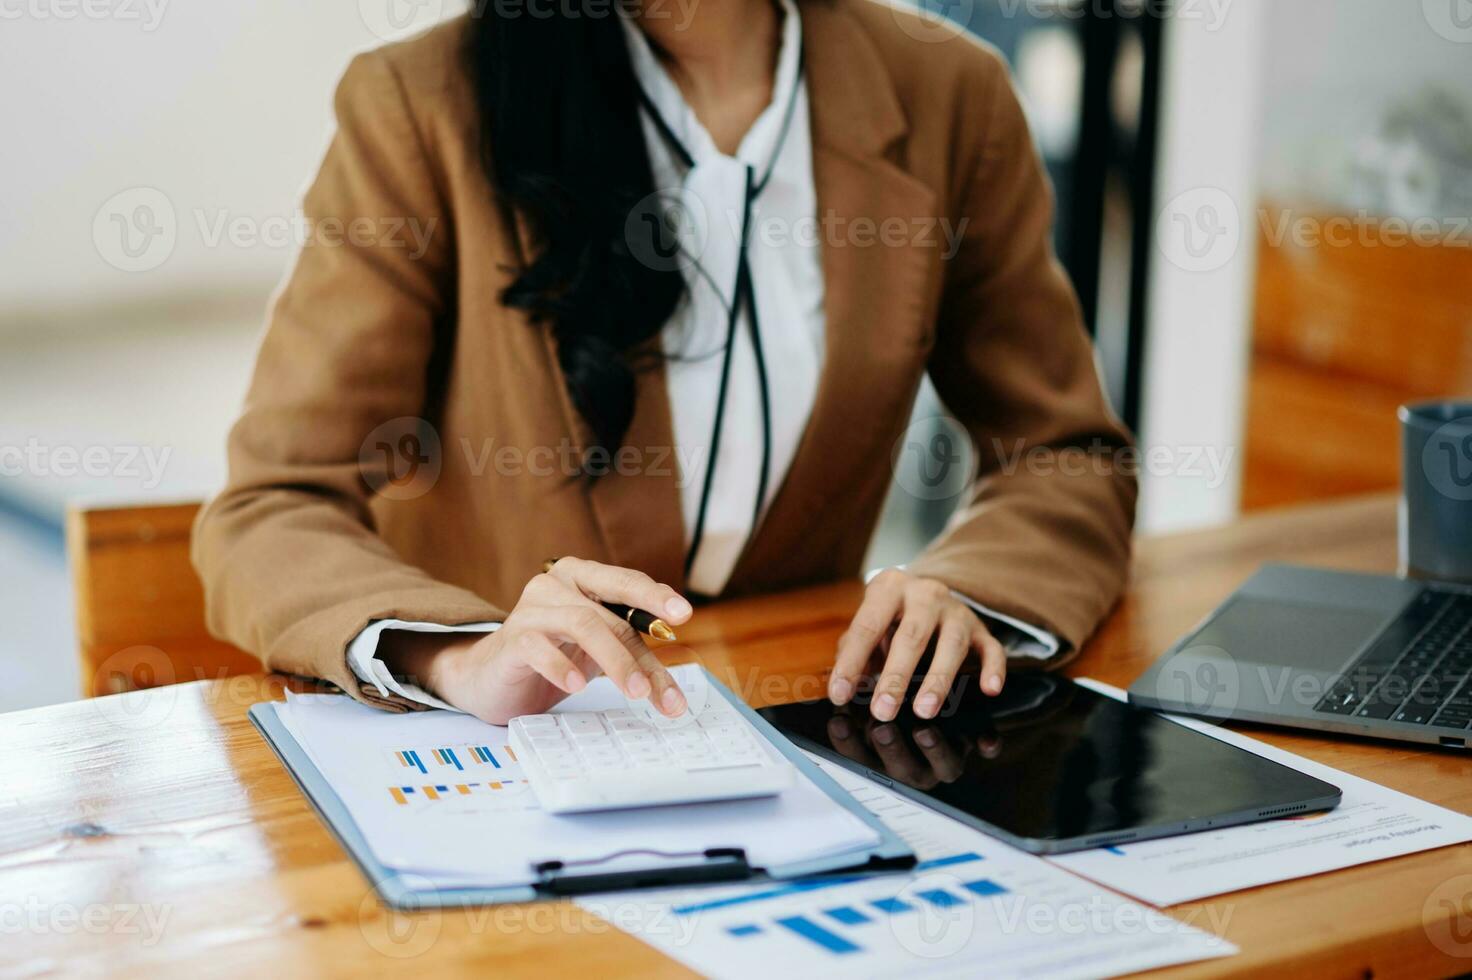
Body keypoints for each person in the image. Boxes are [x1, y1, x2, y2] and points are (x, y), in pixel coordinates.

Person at [192, 0, 1136, 729]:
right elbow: (273, 505)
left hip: (818, 729)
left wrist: (967, 594)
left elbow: (1066, 454)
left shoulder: (947, 93)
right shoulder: (422, 103)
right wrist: (460, 655)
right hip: (519, 755)